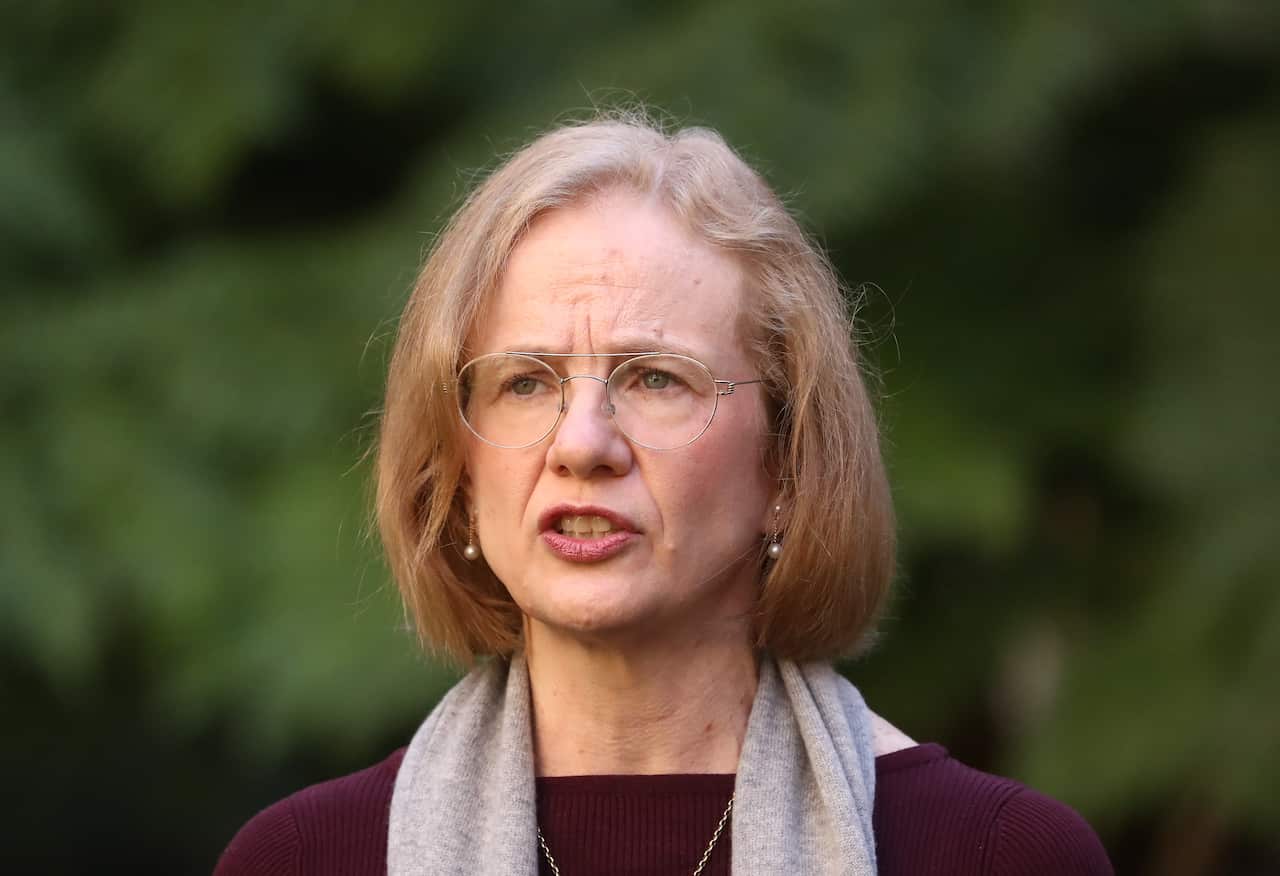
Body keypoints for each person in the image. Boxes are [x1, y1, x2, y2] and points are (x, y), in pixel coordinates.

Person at [214, 111, 1113, 875]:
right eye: (525, 382)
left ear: (789, 466)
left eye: (654, 379)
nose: (583, 445)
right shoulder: (307, 858)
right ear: (455, 474)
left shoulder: (995, 855)